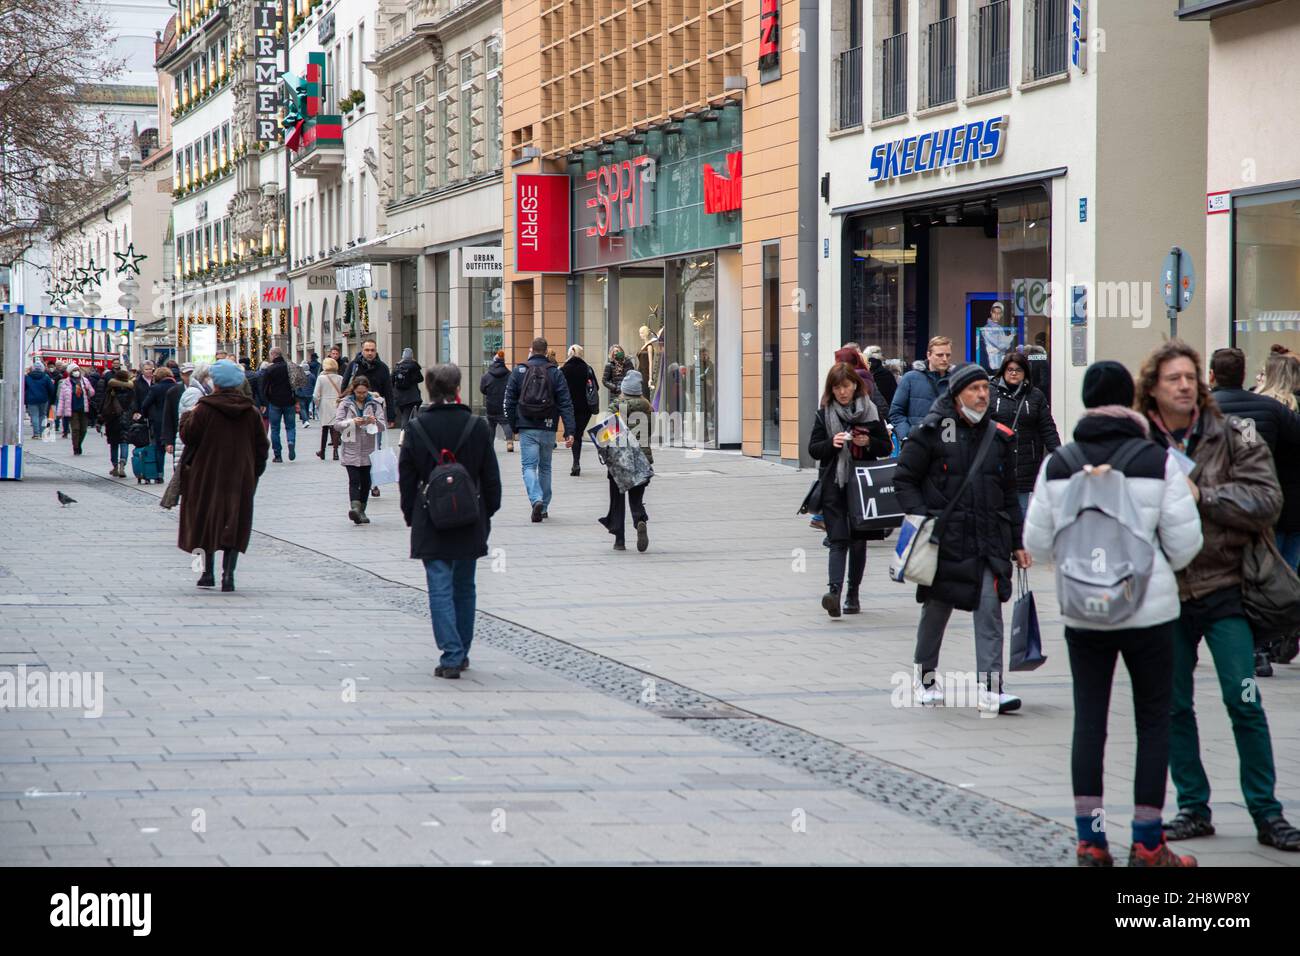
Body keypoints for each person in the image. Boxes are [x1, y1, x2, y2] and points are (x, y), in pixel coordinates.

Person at [1024, 361, 1203, 867]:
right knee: (1152, 722)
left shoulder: (1059, 463)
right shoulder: (1156, 460)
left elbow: (1035, 541)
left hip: (1084, 613)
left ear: (1086, 400)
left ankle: (1091, 839)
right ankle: (1148, 842)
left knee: (1090, 722)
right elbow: (1187, 543)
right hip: (1149, 613)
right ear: (1130, 400)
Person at [1133, 340, 1300, 853]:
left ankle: (1267, 812)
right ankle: (1193, 807)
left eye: (1191, 377)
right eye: (1173, 378)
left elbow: (1267, 499)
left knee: (1244, 698)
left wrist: (1203, 496)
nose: (1185, 385)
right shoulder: (1139, 440)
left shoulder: (1232, 432)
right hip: (1165, 592)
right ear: (1154, 388)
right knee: (1174, 705)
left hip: (1226, 585)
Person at [894, 362, 1029, 714]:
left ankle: (991, 688)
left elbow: (1009, 493)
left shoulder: (999, 437)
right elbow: (904, 478)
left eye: (986, 388)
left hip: (988, 539)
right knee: (936, 611)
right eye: (975, 389)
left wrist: (1018, 541)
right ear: (956, 395)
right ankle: (924, 680)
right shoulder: (933, 431)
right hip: (945, 541)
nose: (983, 395)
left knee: (989, 609)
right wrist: (922, 517)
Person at [399, 364, 502, 679]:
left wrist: (410, 514)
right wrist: (487, 514)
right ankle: (462, 651)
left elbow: (406, 478)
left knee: (440, 586)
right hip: (469, 518)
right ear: (457, 389)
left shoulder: (415, 429)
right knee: (465, 586)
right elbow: (491, 478)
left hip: (431, 518)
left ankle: (451, 653)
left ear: (429, 390)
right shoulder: (477, 426)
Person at [808, 362, 893, 616]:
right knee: (837, 539)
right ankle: (834, 593)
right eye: (837, 388)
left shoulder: (870, 411)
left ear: (855, 385)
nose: (842, 392)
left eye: (846, 386)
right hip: (835, 482)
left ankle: (853, 595)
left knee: (858, 540)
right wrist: (831, 444)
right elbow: (813, 449)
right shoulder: (824, 413)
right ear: (831, 390)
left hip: (863, 483)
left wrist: (868, 442)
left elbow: (886, 448)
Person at [178, 360, 270, 592]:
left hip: (205, 474)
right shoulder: (250, 411)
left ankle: (206, 574)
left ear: (214, 383)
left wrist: (185, 418)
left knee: (203, 521)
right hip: (240, 476)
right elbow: (262, 445)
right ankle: (228, 575)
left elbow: (189, 436)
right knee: (235, 521)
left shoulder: (204, 408)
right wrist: (254, 471)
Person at [504, 337, 576, 522]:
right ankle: (543, 507)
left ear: (531, 350)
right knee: (545, 467)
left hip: (526, 425)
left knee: (528, 466)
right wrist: (570, 431)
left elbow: (509, 401)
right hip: (548, 426)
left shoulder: (519, 371)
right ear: (546, 352)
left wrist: (513, 426)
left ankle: (535, 498)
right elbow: (565, 403)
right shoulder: (555, 372)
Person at [990, 351, 1061, 514]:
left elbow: (1047, 428)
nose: (1013, 373)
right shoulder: (991, 393)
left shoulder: (1036, 396)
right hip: (997, 461)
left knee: (1021, 511)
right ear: (1003, 371)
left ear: (1025, 373)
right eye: (1010, 369)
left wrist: (1059, 455)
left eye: (1018, 370)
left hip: (1026, 463)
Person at [599, 370, 655, 552]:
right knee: (636, 497)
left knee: (618, 498)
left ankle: (619, 540)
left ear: (623, 390)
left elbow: (604, 434)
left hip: (619, 460)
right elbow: (650, 432)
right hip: (642, 460)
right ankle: (639, 519)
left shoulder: (616, 406)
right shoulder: (647, 407)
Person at [341, 338, 398, 497]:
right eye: (367, 350)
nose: (370, 353)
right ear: (362, 350)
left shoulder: (382, 368)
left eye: (372, 350)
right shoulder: (354, 366)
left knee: (374, 448)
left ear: (376, 350)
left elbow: (388, 392)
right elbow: (344, 387)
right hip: (355, 413)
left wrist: (391, 415)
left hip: (374, 415)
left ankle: (373, 483)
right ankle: (358, 479)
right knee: (356, 447)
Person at [331, 375, 387, 524]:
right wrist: (352, 422)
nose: (361, 395)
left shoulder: (375, 404)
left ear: (368, 390)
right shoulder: (345, 404)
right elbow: (337, 424)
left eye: (364, 392)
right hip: (351, 447)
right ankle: (355, 509)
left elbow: (382, 425)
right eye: (358, 392)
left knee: (366, 481)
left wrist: (373, 421)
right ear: (353, 390)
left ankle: (362, 510)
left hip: (368, 449)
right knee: (354, 480)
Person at [889, 335, 953, 440]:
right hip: (919, 442)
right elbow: (896, 412)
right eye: (940, 355)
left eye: (948, 355)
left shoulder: (956, 380)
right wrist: (908, 435)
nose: (945, 359)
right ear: (929, 355)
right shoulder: (910, 378)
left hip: (948, 442)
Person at [561, 344, 598, 476]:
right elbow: (595, 387)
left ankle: (575, 461)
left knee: (573, 433)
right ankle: (576, 462)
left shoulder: (563, 369)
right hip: (585, 408)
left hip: (568, 407)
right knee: (578, 434)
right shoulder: (588, 369)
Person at [259, 346, 299, 462]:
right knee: (290, 426)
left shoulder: (270, 370)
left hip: (275, 402)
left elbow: (264, 387)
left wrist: (265, 401)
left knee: (275, 429)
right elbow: (295, 385)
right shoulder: (290, 367)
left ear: (273, 355)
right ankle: (291, 442)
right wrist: (296, 400)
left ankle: (278, 455)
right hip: (289, 401)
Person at [137, 365, 176, 482]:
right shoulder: (177, 387)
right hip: (175, 420)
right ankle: (176, 472)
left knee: (159, 448)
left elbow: (145, 405)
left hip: (159, 421)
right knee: (176, 446)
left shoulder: (155, 388)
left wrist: (145, 415)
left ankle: (159, 474)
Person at [100, 368, 136, 478]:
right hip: (126, 419)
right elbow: (134, 405)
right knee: (124, 441)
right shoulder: (131, 390)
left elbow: (104, 405)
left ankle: (115, 466)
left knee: (114, 444)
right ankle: (122, 464)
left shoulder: (111, 389)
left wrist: (100, 420)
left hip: (112, 419)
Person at [53, 363, 95, 455]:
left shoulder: (84, 381)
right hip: (72, 409)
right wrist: (59, 413)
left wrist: (89, 390)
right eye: (74, 370)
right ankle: (76, 447)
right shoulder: (66, 383)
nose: (76, 372)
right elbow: (62, 399)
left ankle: (79, 444)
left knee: (83, 429)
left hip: (84, 408)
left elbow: (92, 392)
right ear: (70, 372)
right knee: (75, 429)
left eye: (77, 370)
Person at [480, 350, 515, 453]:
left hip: (491, 404)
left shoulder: (487, 375)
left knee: (491, 425)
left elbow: (482, 389)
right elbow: (513, 388)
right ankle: (509, 442)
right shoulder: (509, 374)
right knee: (506, 422)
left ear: (494, 362)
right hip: (504, 403)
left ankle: (490, 446)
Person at [161, 363, 193, 464]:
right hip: (178, 433)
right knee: (179, 466)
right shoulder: (173, 392)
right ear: (182, 375)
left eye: (191, 374)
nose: (189, 377)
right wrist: (168, 441)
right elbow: (168, 417)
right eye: (187, 374)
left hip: (194, 434)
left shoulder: (202, 390)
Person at [313, 358, 345, 460]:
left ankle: (322, 451)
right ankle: (335, 452)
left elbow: (316, 395)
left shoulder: (321, 378)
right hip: (336, 404)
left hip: (325, 404)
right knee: (335, 429)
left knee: (325, 428)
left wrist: (317, 405)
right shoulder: (340, 378)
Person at [392, 347, 424, 429]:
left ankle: (406, 432)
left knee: (405, 415)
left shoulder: (398, 366)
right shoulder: (414, 366)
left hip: (399, 397)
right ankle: (405, 435)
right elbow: (421, 378)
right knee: (407, 416)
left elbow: (391, 380)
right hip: (412, 397)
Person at [23, 361, 56, 439]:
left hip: (31, 399)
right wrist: (50, 398)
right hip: (43, 399)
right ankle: (42, 433)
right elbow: (51, 388)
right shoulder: (46, 377)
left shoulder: (28, 377)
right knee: (43, 415)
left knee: (34, 416)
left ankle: (36, 434)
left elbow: (24, 388)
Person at [295, 362, 317, 427]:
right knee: (307, 407)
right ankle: (307, 420)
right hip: (310, 395)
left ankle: (305, 421)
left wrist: (296, 393)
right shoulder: (312, 376)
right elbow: (314, 385)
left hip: (301, 394)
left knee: (302, 408)